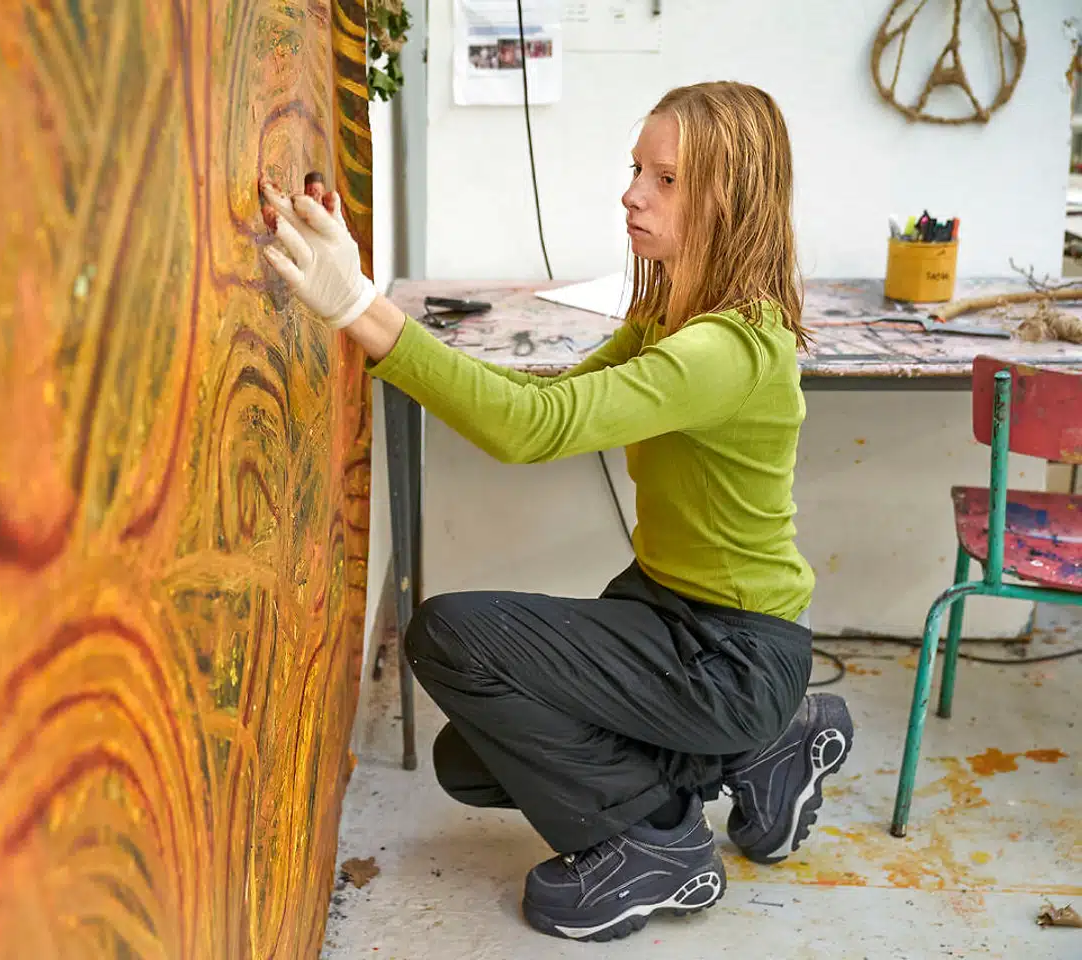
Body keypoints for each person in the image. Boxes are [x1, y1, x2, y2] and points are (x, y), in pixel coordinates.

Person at [260, 81, 854, 944]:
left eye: (667, 179)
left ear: (734, 197)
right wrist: (365, 294)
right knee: (472, 760)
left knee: (448, 638)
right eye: (635, 168)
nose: (632, 192)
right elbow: (540, 399)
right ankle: (756, 749)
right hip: (671, 612)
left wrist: (360, 309)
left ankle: (660, 847)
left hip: (731, 650)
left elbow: (533, 431)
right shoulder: (667, 315)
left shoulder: (727, 346)